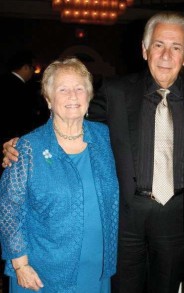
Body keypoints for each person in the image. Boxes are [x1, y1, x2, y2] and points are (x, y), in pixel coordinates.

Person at [2, 12, 184, 293]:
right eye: (158, 45)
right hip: (126, 221)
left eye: (176, 47)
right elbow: (71, 117)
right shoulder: (117, 91)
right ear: (145, 50)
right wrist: (19, 146)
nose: (166, 54)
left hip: (174, 217)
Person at [0, 57, 119, 292]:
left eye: (79, 88)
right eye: (63, 89)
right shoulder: (27, 148)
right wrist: (20, 264)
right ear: (48, 99)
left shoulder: (105, 138)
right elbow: (9, 210)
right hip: (41, 272)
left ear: (89, 96)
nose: (73, 96)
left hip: (96, 267)